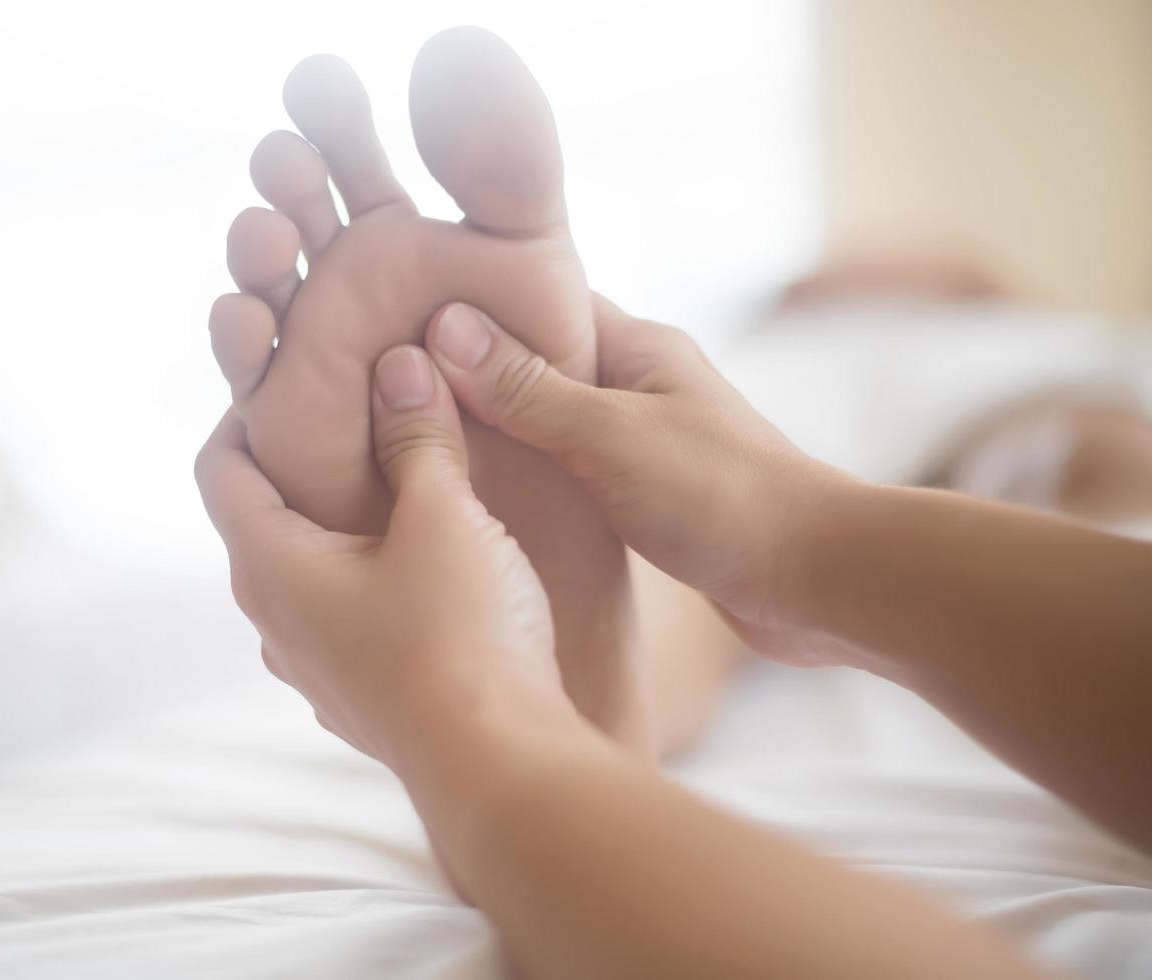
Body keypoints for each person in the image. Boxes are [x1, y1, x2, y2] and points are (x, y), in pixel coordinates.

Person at [199, 26, 1152, 978]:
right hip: (861, 460)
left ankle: (518, 702)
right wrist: (787, 521)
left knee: (1100, 466)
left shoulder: (1055, 346)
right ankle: (652, 629)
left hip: (1059, 421)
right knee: (686, 565)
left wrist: (440, 705)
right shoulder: (787, 355)